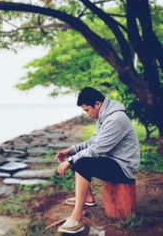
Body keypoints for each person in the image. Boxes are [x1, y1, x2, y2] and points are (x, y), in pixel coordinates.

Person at [55, 87, 140, 234]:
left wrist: (70, 160)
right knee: (79, 156)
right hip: (113, 161)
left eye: (87, 110)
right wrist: (70, 151)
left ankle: (77, 218)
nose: (87, 114)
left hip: (124, 168)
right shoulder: (104, 117)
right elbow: (92, 142)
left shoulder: (115, 119)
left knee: (81, 161)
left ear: (98, 104)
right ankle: (88, 198)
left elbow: (96, 150)